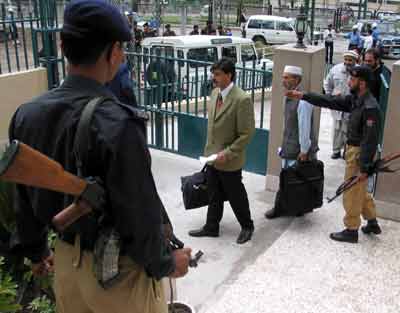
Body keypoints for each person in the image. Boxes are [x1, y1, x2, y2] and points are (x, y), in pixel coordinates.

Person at [8, 1, 191, 312]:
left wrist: (37, 250)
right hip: (118, 276)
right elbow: (139, 212)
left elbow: (22, 196)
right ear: (115, 53)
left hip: (66, 265)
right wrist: (166, 263)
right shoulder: (118, 123)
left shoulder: (26, 115)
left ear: (62, 45)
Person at [286, 65, 382, 244]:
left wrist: (364, 167)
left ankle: (351, 229)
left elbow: (370, 140)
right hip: (354, 150)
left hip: (360, 153)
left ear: (362, 84)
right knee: (359, 189)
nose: (348, 81)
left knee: (352, 190)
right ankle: (372, 220)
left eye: (352, 80)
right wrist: (304, 95)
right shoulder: (356, 99)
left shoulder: (370, 107)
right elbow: (329, 100)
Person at [188, 58, 255, 244]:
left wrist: (228, 153)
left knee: (236, 195)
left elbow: (246, 133)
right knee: (213, 193)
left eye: (217, 74)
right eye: (213, 74)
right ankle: (211, 227)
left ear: (229, 75)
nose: (214, 78)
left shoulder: (242, 99)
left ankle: (247, 226)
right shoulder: (215, 93)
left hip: (229, 160)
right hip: (212, 158)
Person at [264, 66, 319, 219]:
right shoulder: (289, 97)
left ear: (296, 80)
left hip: (298, 148)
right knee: (293, 179)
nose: (283, 80)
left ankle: (280, 207)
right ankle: (296, 207)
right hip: (290, 144)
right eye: (283, 77)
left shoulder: (302, 101)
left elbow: (304, 127)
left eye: (287, 77)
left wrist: (304, 150)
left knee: (291, 179)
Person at [324, 50, 358, 159]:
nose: (347, 62)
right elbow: (327, 83)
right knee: (336, 129)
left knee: (348, 129)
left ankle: (346, 151)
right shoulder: (335, 69)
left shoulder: (358, 71)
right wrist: (330, 96)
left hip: (351, 106)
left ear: (355, 61)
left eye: (350, 60)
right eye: (346, 59)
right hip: (337, 105)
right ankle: (336, 150)